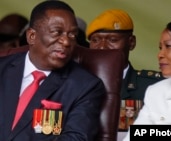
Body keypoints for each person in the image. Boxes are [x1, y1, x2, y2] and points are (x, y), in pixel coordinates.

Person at [0, 1, 105, 141]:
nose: (66, 42)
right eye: (57, 32)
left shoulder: (85, 86)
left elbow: (76, 138)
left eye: (72, 35)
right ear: (31, 36)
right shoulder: (2, 68)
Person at [86, 9, 164, 134]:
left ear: (131, 43)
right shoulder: (75, 82)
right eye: (95, 40)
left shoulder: (154, 86)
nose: (102, 47)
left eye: (112, 40)